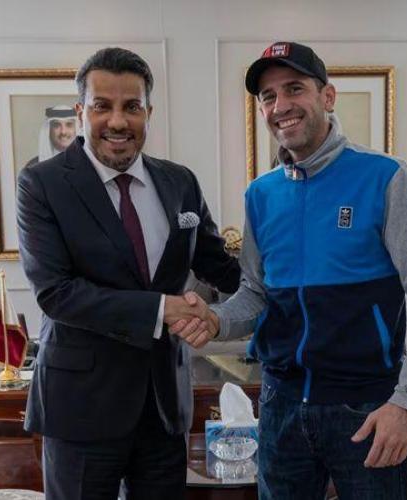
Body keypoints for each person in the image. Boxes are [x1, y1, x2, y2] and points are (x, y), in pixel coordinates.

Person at [169, 42, 407, 500]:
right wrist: (216, 318)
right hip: (280, 405)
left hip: (366, 407)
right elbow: (256, 295)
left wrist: (406, 404)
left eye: (294, 88)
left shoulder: (385, 177)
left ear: (327, 96)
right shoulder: (261, 195)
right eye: (268, 96)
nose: (280, 105)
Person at [16, 47, 240, 500]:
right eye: (102, 106)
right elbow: (56, 293)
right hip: (80, 410)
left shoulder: (180, 182)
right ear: (81, 111)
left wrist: (285, 279)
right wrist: (162, 309)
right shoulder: (41, 184)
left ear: (148, 113)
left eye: (131, 107)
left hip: (164, 407)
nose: (117, 121)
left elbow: (221, 268)